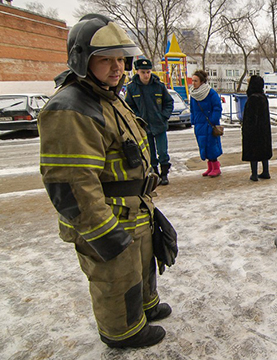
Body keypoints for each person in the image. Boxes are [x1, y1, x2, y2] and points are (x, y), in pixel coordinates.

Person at [38, 14, 172, 349]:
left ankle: (144, 309)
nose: (117, 68)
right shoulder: (71, 108)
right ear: (83, 60)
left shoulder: (106, 95)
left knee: (141, 265)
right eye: (105, 60)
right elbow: (71, 183)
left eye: (119, 59)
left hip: (132, 209)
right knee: (115, 276)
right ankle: (123, 332)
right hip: (107, 214)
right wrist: (103, 232)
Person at [126, 59, 174, 185]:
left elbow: (168, 102)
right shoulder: (132, 88)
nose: (146, 75)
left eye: (148, 72)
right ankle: (154, 174)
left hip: (159, 124)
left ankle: (164, 174)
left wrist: (163, 116)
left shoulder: (159, 85)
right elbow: (129, 106)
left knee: (163, 152)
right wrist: (138, 117)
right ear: (138, 72)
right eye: (143, 72)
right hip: (144, 126)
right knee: (150, 153)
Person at [189, 70, 223, 177]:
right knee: (203, 145)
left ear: (202, 81)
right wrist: (193, 120)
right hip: (199, 125)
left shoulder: (211, 92)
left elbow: (217, 108)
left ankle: (216, 167)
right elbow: (192, 109)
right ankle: (210, 167)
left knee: (211, 145)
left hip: (209, 124)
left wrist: (213, 120)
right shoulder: (193, 94)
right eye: (192, 80)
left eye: (196, 81)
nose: (193, 83)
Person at [241, 75, 272, 181]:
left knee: (253, 150)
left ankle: (254, 174)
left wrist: (246, 130)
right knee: (263, 150)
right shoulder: (263, 97)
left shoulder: (252, 98)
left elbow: (250, 118)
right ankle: (265, 171)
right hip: (264, 130)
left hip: (254, 130)